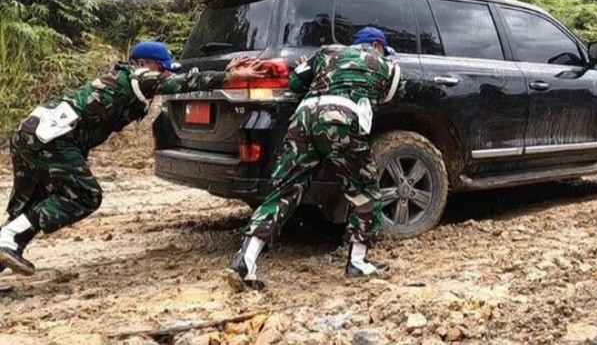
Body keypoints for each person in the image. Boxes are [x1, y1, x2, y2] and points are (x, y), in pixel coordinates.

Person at [0, 41, 264, 279]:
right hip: (53, 139)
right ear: (141, 64)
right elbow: (180, 83)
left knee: (28, 204)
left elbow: (181, 74)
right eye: (160, 68)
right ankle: (9, 237)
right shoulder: (137, 76)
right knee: (84, 195)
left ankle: (7, 242)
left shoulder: (126, 78)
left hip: (31, 132)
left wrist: (223, 68)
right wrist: (229, 77)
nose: (164, 74)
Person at [224, 27, 405, 291]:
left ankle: (246, 260)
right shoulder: (385, 64)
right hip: (341, 120)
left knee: (284, 191)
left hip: (303, 119)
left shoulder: (326, 53)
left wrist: (307, 72)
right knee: (364, 190)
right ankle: (358, 262)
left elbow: (296, 83)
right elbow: (393, 95)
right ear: (378, 45)